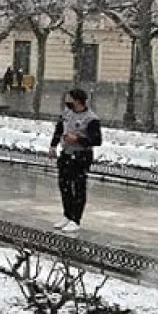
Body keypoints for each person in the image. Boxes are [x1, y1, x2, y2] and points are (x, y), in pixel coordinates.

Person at [48, 88, 103, 232]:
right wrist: (53, 146)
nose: (67, 101)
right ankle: (67, 214)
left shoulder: (91, 119)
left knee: (78, 186)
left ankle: (76, 219)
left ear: (78, 100)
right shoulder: (66, 114)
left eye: (69, 98)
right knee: (64, 185)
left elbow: (96, 140)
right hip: (66, 153)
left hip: (81, 156)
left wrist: (78, 139)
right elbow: (59, 130)